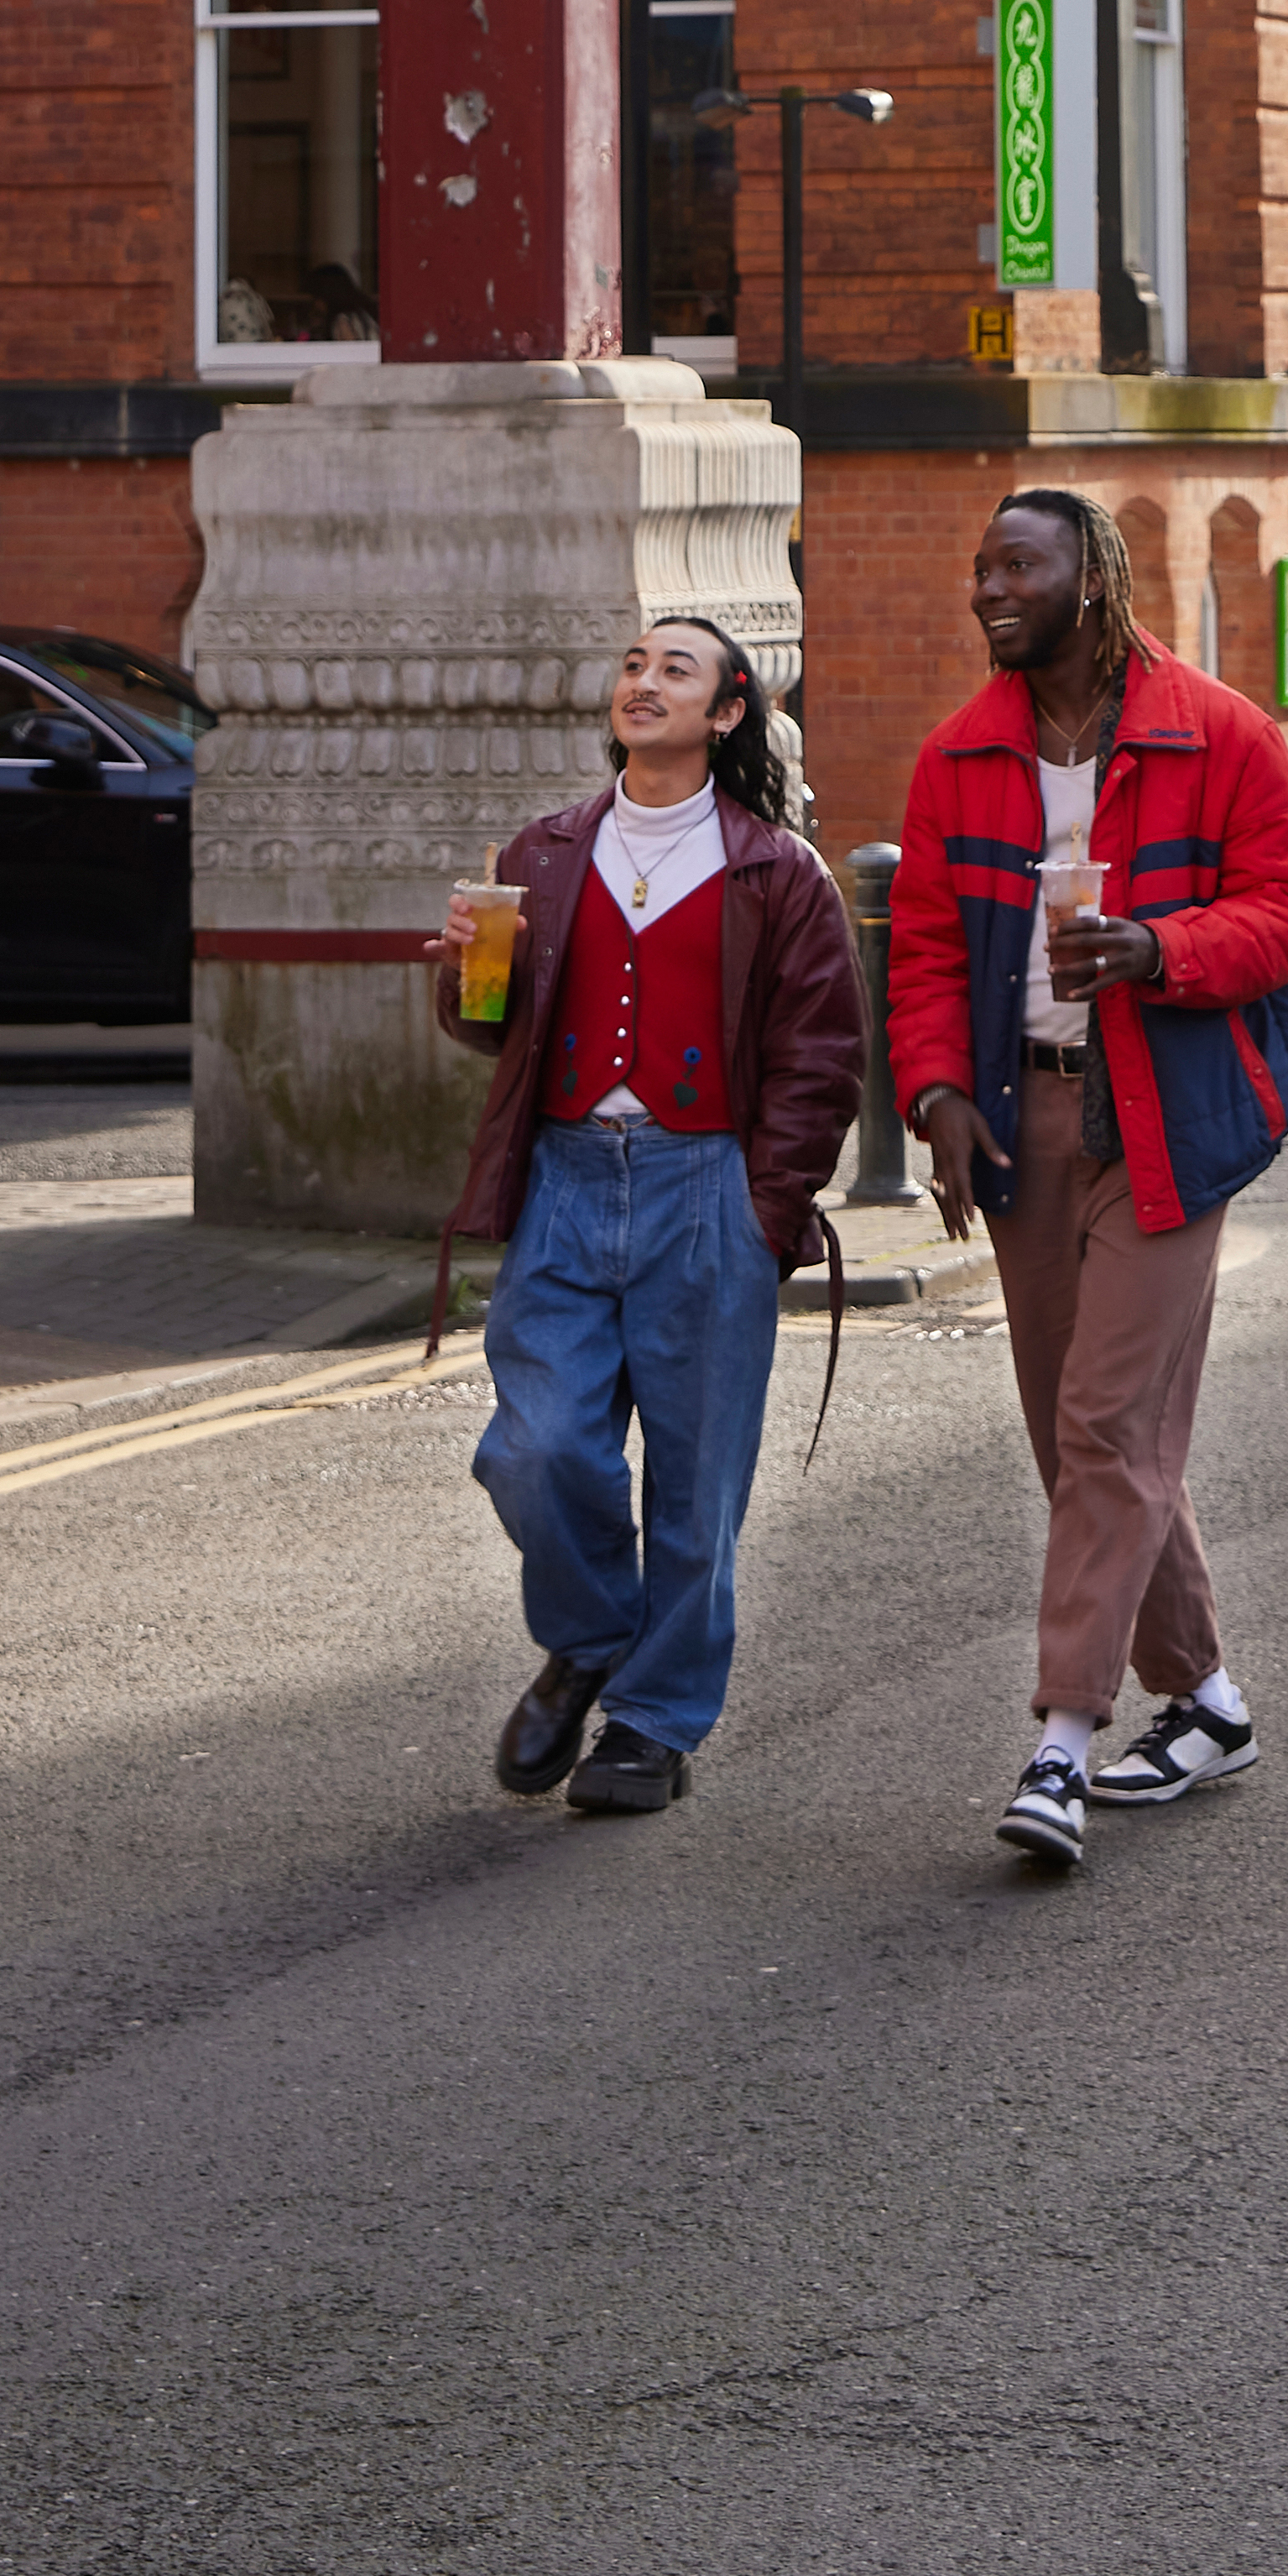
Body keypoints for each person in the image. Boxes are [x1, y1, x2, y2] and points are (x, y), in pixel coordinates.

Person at [889, 486, 1288, 1873]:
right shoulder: (959, 756)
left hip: (1165, 1121)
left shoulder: (1216, 731)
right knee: (1086, 1440)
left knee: (1104, 1422)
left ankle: (1063, 1740)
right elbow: (923, 955)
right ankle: (1203, 1698)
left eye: (1016, 561)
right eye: (981, 564)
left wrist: (1163, 950)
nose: (988, 586)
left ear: (1096, 575)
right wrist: (936, 1093)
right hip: (1023, 1124)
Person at [432, 611, 866, 1819]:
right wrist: (464, 970)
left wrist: (763, 1210)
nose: (644, 679)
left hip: (704, 1185)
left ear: (727, 712)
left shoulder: (775, 871)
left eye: (676, 668)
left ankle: (654, 1724)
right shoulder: (548, 849)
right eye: (633, 662)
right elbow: (487, 1028)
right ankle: (588, 1638)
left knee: (696, 1482)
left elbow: (822, 1057)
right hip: (567, 1175)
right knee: (534, 1444)